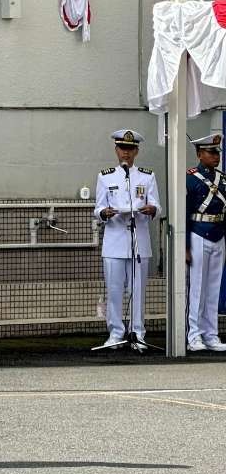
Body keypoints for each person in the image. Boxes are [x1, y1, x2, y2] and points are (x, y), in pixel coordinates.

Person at [94, 129, 159, 350]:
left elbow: (156, 206)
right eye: (122, 148)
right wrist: (105, 213)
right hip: (114, 241)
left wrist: (151, 209)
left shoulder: (147, 176)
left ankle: (138, 333)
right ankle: (115, 332)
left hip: (138, 241)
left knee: (137, 291)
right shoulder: (105, 176)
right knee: (114, 290)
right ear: (116, 150)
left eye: (130, 149)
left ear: (137, 151)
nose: (126, 153)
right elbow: (99, 208)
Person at [186, 134, 226, 352]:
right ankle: (194, 336)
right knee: (197, 288)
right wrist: (185, 246)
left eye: (217, 153)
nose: (215, 157)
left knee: (213, 288)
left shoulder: (223, 178)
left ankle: (211, 334)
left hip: (218, 234)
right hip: (198, 233)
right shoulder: (190, 178)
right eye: (211, 153)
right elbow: (184, 213)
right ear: (199, 154)